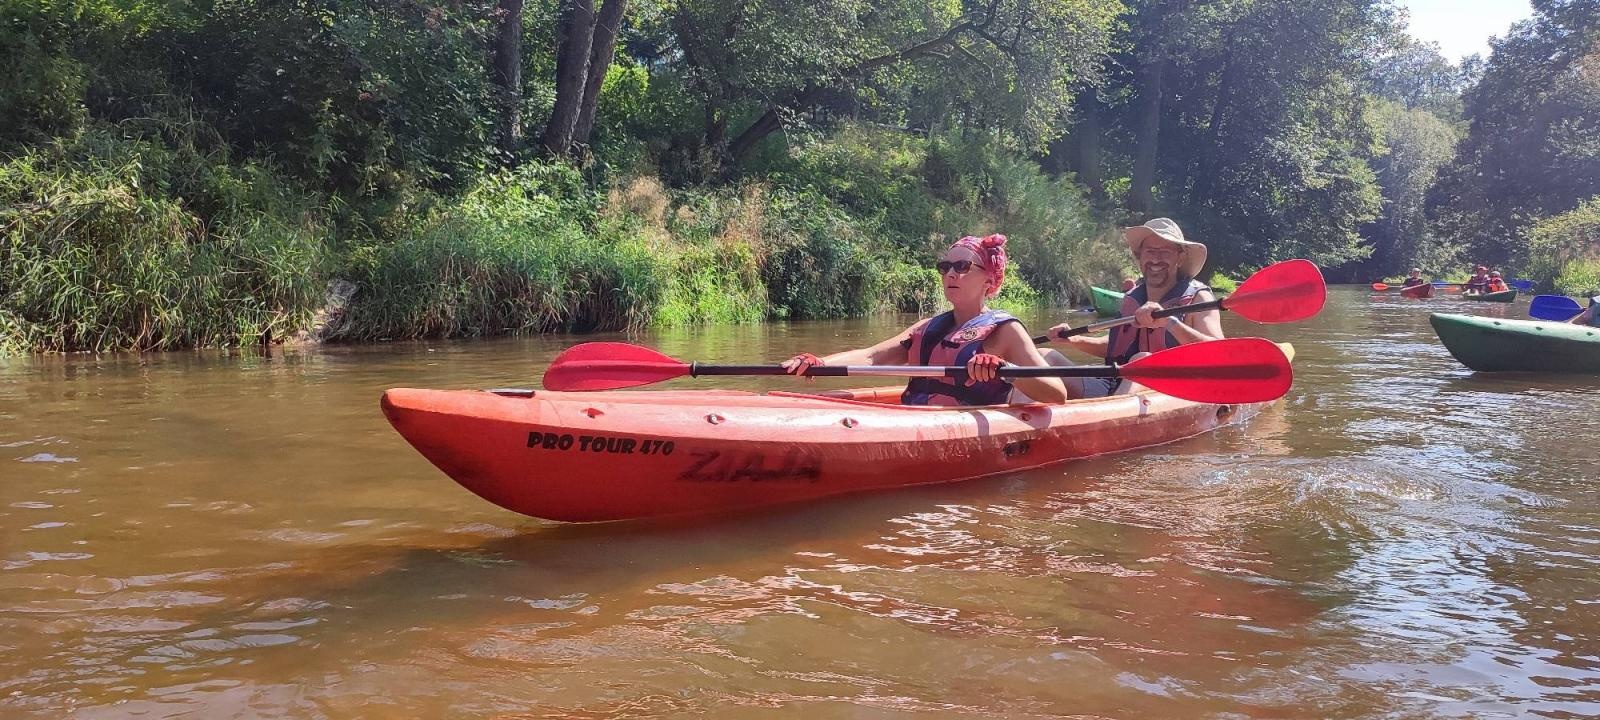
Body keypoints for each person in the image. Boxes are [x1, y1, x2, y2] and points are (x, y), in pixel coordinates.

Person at [781, 235, 1070, 405]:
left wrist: (1006, 369)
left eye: (963, 266)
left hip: (965, 430)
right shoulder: (927, 328)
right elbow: (872, 357)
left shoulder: (1006, 331)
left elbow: (1057, 393)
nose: (951, 274)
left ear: (989, 279)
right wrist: (819, 363)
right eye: (945, 267)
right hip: (916, 419)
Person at [1046, 218, 1223, 397]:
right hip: (1116, 384)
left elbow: (1219, 354)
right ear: (1140, 256)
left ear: (1180, 257)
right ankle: (1026, 420)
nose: (1155, 259)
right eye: (1150, 251)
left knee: (1143, 361)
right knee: (1046, 357)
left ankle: (1112, 418)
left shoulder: (1199, 298)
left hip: (1173, 392)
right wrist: (1074, 339)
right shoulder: (1133, 297)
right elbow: (1114, 345)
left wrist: (1170, 322)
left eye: (1165, 252)